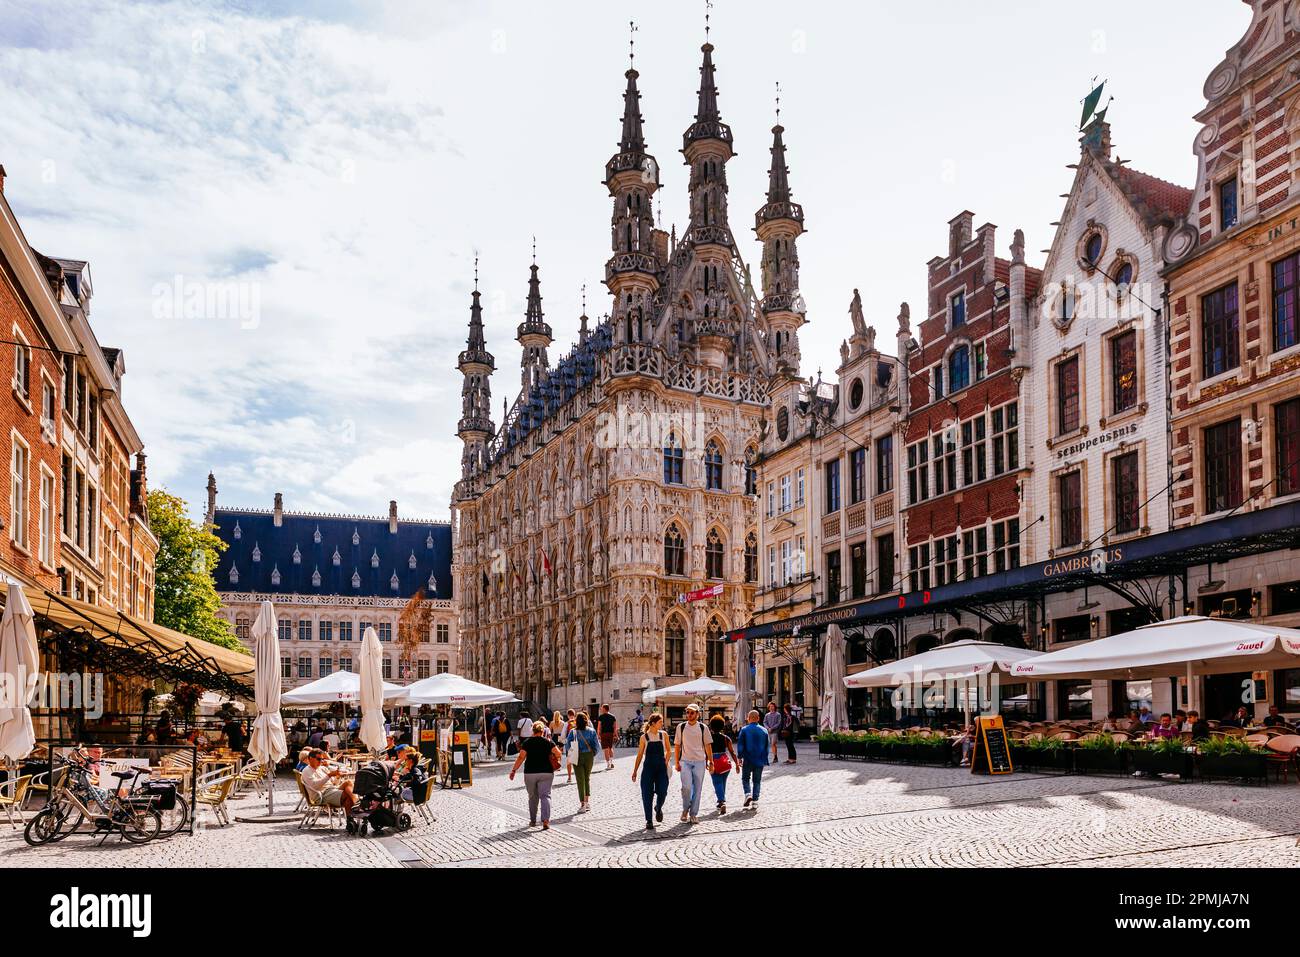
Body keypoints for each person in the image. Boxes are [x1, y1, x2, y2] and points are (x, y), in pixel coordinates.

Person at [508, 720, 557, 830]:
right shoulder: (548, 742)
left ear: (533, 730)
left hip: (530, 772)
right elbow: (558, 753)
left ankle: (533, 820)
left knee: (533, 797)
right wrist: (553, 758)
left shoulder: (527, 742)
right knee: (546, 796)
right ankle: (545, 820)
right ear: (542, 730)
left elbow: (521, 757)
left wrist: (514, 770)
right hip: (546, 772)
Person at [673, 703, 713, 824]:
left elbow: (708, 745)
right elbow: (677, 745)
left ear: (697, 714)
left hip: (700, 762)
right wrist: (676, 762)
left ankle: (693, 814)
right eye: (688, 712)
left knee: (698, 789)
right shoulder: (681, 727)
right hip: (685, 761)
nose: (689, 715)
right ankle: (685, 809)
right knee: (686, 787)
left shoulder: (703, 727)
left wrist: (711, 761)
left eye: (692, 713)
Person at [631, 713, 672, 830]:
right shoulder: (644, 737)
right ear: (653, 723)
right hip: (648, 767)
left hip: (661, 767)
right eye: (660, 722)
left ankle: (658, 808)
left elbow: (669, 751)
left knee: (663, 791)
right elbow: (639, 755)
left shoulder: (663, 735)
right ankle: (649, 820)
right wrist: (635, 771)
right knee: (647, 794)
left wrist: (666, 761)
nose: (662, 724)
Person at [300, 749, 355, 815]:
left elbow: (334, 783)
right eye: (318, 759)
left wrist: (337, 777)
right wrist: (329, 775)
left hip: (331, 789)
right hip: (322, 794)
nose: (321, 761)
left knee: (348, 782)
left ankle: (351, 820)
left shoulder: (322, 768)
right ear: (311, 758)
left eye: (322, 759)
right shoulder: (307, 771)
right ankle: (356, 807)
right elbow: (315, 786)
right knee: (348, 796)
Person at [734, 710, 769, 811]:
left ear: (748, 719)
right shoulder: (764, 730)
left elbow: (740, 745)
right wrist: (765, 759)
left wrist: (739, 757)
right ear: (758, 718)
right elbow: (767, 747)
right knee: (757, 781)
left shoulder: (744, 730)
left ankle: (748, 794)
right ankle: (755, 802)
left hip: (748, 759)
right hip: (759, 759)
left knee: (745, 778)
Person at [566, 712, 599, 812]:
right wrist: (592, 754)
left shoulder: (573, 732)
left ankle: (582, 804)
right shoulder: (591, 731)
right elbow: (596, 745)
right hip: (589, 755)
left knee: (580, 780)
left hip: (577, 755)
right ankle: (587, 802)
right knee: (587, 778)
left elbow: (568, 746)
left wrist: (571, 754)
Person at [706, 714, 739, 814]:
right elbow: (732, 752)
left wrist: (705, 762)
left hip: (714, 761)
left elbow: (706, 752)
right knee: (723, 782)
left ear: (711, 726)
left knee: (717, 783)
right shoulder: (726, 738)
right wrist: (737, 764)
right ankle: (720, 801)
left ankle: (722, 801)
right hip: (725, 761)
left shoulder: (708, 738)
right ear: (722, 726)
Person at [596, 705, 618, 770]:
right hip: (610, 734)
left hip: (604, 734)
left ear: (605, 709)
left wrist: (598, 734)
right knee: (610, 748)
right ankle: (611, 762)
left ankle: (608, 764)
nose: (601, 709)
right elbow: (615, 727)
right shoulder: (613, 716)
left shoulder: (601, 717)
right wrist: (616, 735)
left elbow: (599, 727)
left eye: (602, 708)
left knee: (605, 749)